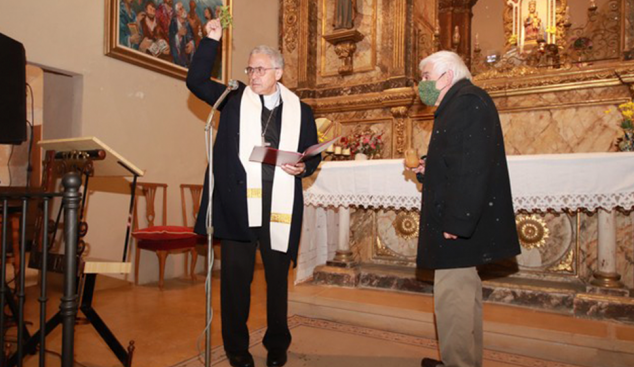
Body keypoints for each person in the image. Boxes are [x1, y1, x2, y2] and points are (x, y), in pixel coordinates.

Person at [186, 18, 321, 367]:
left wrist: (303, 166)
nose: (253, 75)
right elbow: (196, 80)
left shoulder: (301, 110)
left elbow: (311, 151)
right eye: (250, 68)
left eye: (260, 69)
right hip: (238, 207)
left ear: (278, 71)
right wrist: (211, 40)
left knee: (277, 282)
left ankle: (277, 345)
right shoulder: (232, 99)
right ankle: (236, 349)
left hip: (281, 208)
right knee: (235, 284)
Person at [409, 51, 521, 367]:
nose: (423, 84)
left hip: (457, 222)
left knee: (452, 298)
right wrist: (428, 168)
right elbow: (457, 159)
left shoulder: (468, 102)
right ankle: (464, 360)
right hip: (458, 218)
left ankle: (458, 362)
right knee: (463, 293)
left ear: (447, 76)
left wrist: (458, 221)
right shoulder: (457, 102)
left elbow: (473, 167)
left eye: (427, 76)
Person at [169, 1, 195, 67]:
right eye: (180, 9)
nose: (183, 10)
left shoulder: (187, 24)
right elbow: (171, 41)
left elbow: (192, 37)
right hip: (177, 60)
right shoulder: (173, 23)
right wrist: (179, 35)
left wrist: (191, 45)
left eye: (183, 8)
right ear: (177, 13)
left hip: (187, 60)